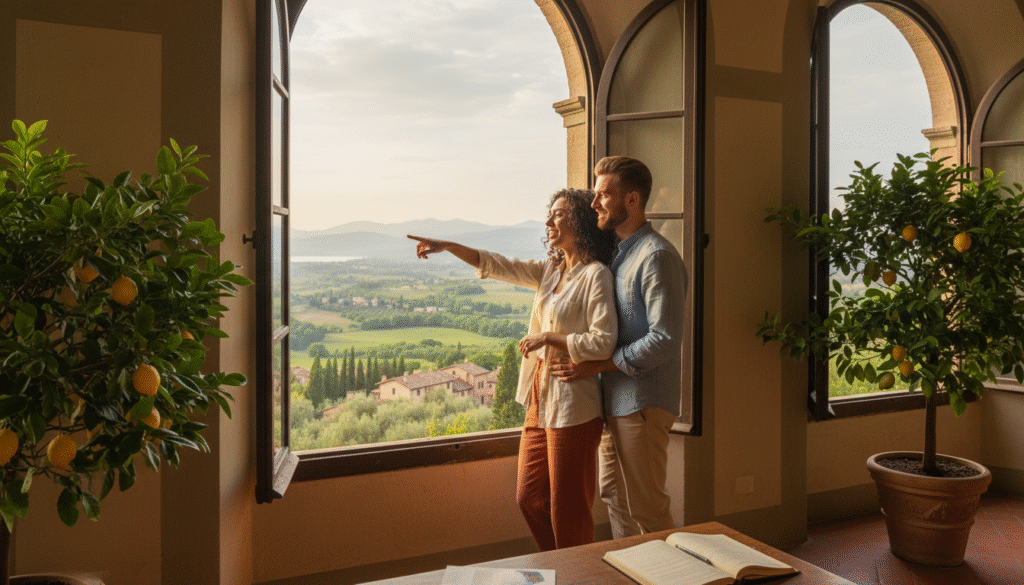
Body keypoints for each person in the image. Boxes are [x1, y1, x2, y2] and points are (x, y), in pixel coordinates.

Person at [407, 188, 617, 551]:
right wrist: (450, 247)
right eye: (549, 214)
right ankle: (561, 567)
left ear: (581, 220)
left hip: (573, 405)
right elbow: (500, 265)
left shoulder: (595, 276)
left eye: (559, 214)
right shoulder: (551, 271)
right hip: (539, 397)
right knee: (529, 498)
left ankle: (574, 574)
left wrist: (550, 338)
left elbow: (604, 341)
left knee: (568, 510)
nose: (549, 221)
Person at [550, 156, 686, 539]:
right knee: (615, 500)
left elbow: (665, 338)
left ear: (632, 200)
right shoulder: (618, 254)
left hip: (643, 402)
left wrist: (598, 366)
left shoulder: (656, 257)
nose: (595, 203)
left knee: (647, 506)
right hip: (614, 401)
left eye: (604, 195)